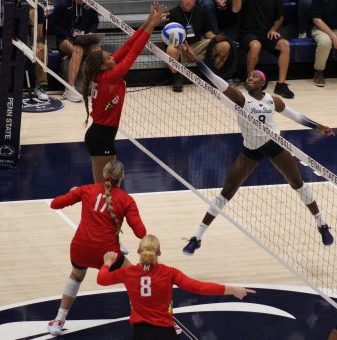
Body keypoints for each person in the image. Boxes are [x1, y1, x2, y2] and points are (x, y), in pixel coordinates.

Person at [180, 46, 336, 255]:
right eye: (249, 76)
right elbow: (217, 82)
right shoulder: (241, 98)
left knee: (297, 182)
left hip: (274, 145)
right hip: (251, 149)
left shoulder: (273, 100)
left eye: (255, 76)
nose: (250, 78)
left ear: (263, 83)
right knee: (227, 192)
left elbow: (295, 116)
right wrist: (195, 61)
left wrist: (319, 126)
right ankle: (197, 237)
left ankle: (322, 224)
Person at [47, 160, 148, 336]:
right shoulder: (126, 200)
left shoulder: (86, 190)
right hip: (107, 253)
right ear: (122, 176)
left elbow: (55, 204)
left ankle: (58, 321)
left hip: (80, 248)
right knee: (134, 278)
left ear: (103, 174)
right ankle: (145, 318)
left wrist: (74, 192)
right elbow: (141, 233)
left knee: (76, 276)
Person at [97, 235, 255, 340]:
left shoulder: (127, 273)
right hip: (166, 331)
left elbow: (102, 279)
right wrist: (232, 289)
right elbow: (199, 287)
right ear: (159, 252)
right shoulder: (169, 273)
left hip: (140, 332)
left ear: (138, 251)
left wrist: (107, 262)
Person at [82, 4, 167, 184]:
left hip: (102, 136)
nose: (112, 55)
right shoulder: (111, 76)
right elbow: (135, 51)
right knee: (104, 189)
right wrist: (153, 25)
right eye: (109, 57)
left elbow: (129, 44)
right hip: (101, 138)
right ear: (104, 65)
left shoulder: (104, 71)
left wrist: (148, 21)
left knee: (109, 188)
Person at [233, 0, 295, 99]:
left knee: (285, 45)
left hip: (266, 33)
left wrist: (273, 29)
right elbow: (235, 9)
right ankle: (249, 80)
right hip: (247, 33)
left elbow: (280, 17)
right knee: (256, 46)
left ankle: (281, 85)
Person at [167, 0, 231, 92]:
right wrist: (182, 46)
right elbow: (170, 38)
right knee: (170, 49)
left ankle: (211, 77)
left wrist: (216, 38)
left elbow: (207, 32)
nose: (189, 1)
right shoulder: (172, 13)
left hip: (197, 45)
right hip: (180, 46)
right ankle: (177, 77)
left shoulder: (201, 12)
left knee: (225, 46)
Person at [51, 0, 99, 102]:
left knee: (96, 49)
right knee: (78, 50)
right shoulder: (62, 5)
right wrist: (69, 34)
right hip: (64, 39)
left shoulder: (90, 6)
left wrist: (91, 32)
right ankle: (70, 89)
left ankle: (97, 84)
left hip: (83, 39)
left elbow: (95, 22)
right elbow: (54, 25)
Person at [29, 6, 50, 100]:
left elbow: (39, 36)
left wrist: (34, 22)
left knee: (42, 47)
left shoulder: (39, 9)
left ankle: (40, 86)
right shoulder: (18, 5)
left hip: (31, 41)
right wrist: (30, 46)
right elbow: (16, 33)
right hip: (17, 40)